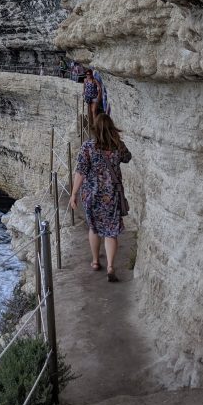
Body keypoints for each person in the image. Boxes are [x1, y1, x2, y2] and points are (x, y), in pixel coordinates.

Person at [70, 113, 132, 282]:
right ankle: (111, 266)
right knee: (111, 232)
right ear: (111, 128)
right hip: (111, 195)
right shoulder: (117, 146)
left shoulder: (88, 147)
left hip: (91, 194)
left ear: (95, 129)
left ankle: (96, 261)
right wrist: (117, 141)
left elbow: (81, 171)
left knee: (94, 228)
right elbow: (128, 158)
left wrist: (74, 193)